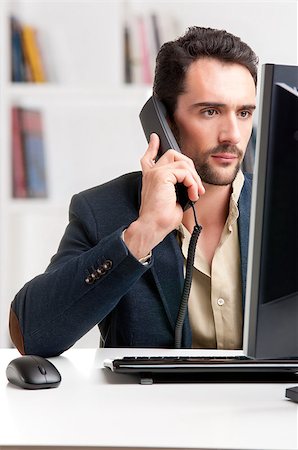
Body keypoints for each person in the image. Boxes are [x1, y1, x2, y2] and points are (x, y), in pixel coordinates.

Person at [9, 26, 258, 357]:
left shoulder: (284, 207)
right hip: (147, 408)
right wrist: (143, 233)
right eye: (210, 111)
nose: (233, 135)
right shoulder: (102, 210)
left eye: (243, 113)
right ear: (164, 122)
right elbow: (31, 334)